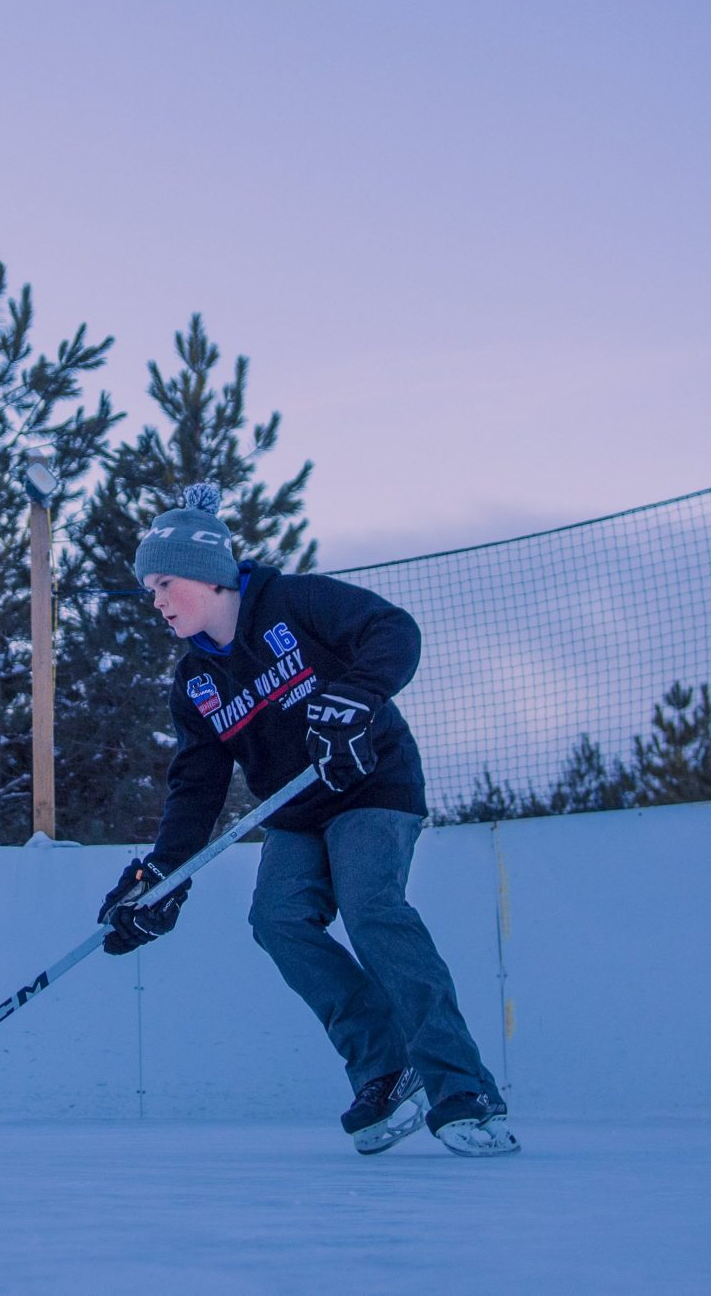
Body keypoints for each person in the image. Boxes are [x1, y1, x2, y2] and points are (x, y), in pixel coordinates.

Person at [95, 484, 518, 1157]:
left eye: (163, 581)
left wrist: (355, 695)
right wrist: (160, 873)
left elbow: (393, 631)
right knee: (276, 918)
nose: (156, 600)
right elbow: (196, 788)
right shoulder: (195, 683)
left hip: (372, 783)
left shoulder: (295, 603)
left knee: (371, 905)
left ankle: (463, 1085)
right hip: (295, 812)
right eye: (150, 587)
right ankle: (384, 1062)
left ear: (206, 572)